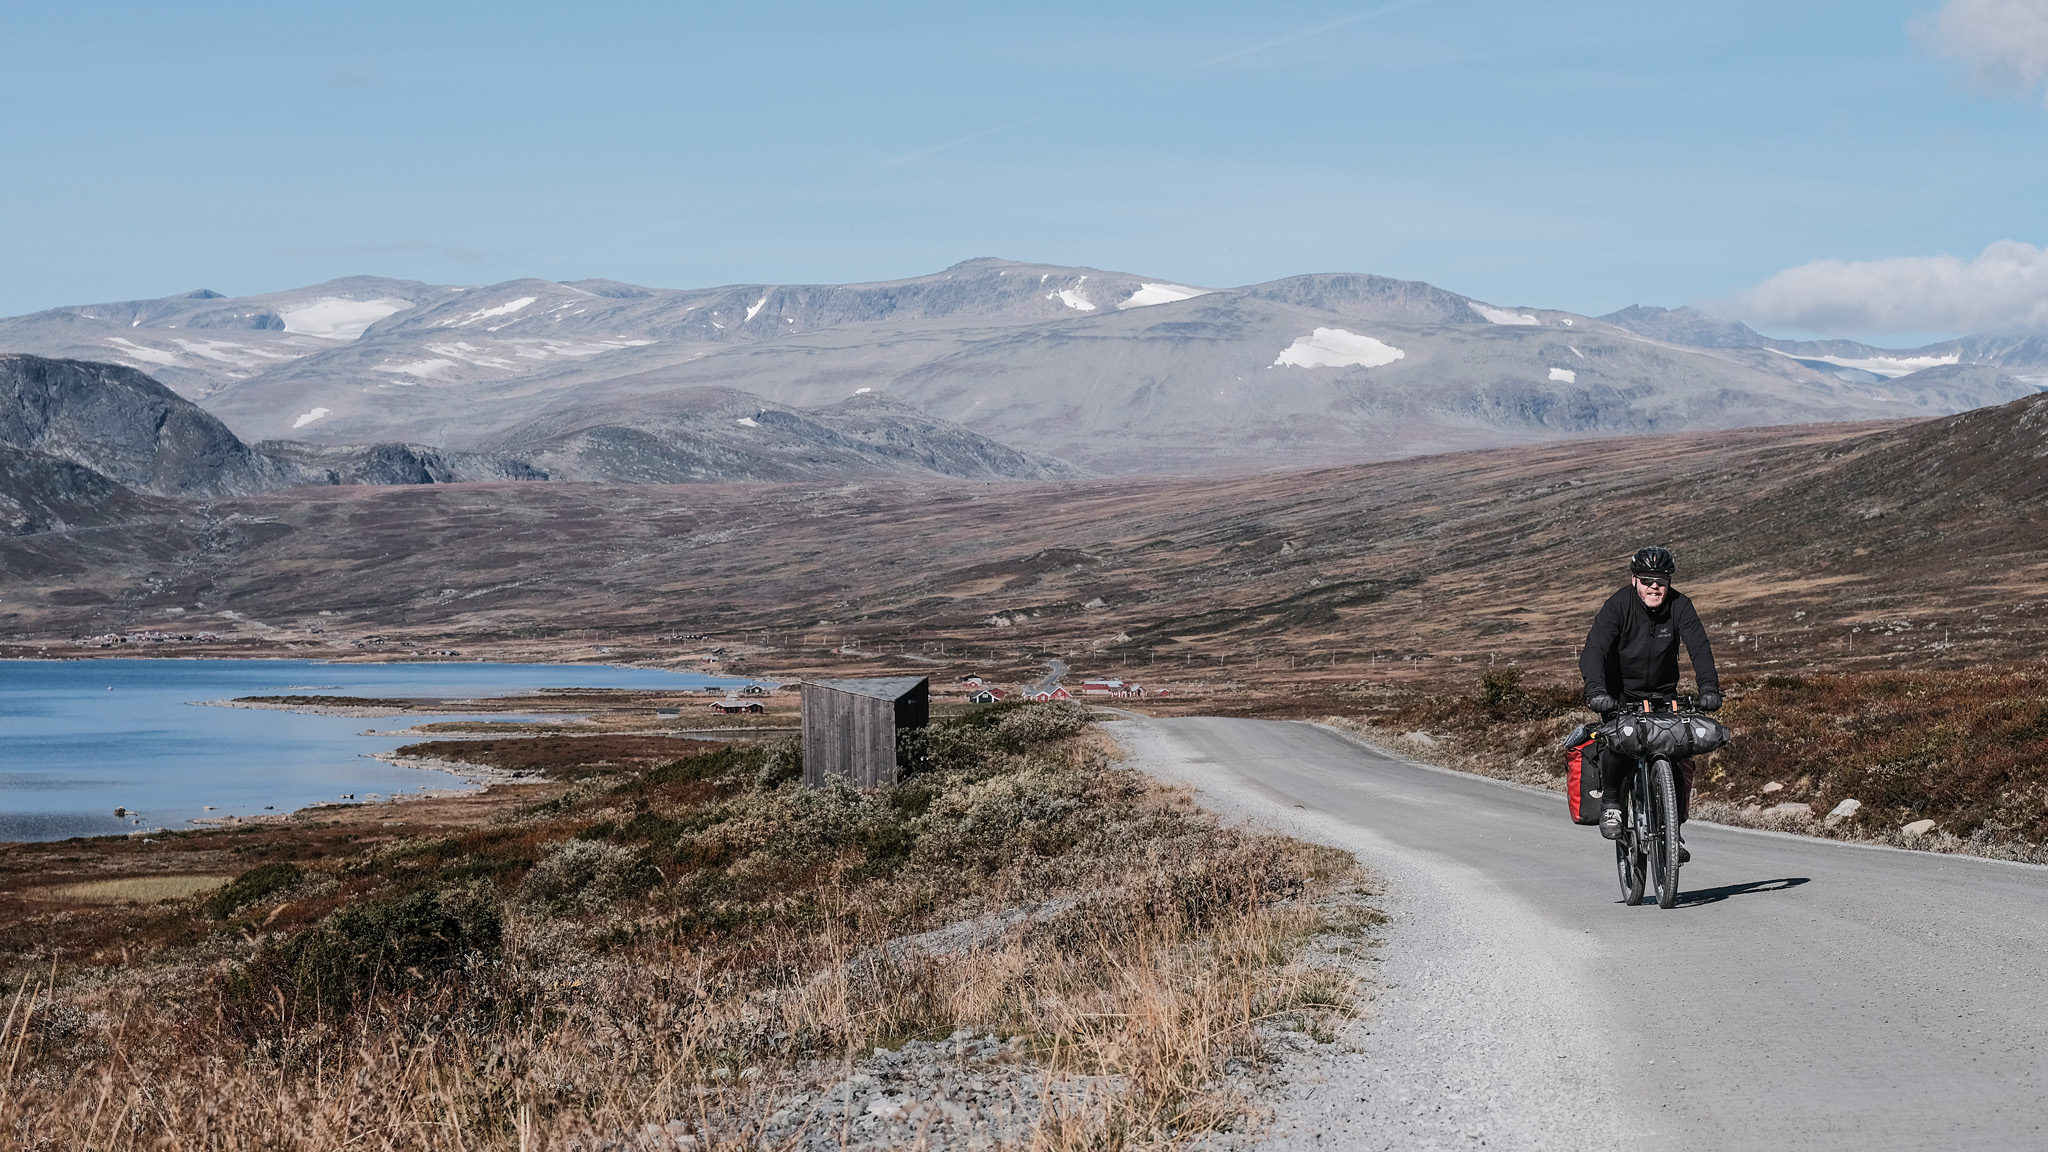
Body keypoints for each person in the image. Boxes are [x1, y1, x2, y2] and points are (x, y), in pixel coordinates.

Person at [1578, 545, 1721, 856]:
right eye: (1647, 579)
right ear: (1634, 581)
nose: (1654, 586)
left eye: (1661, 580)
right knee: (1619, 741)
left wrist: (1709, 688)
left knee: (1679, 756)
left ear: (1669, 581)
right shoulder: (1617, 606)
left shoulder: (1681, 606)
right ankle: (1613, 801)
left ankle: (1673, 830)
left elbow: (1699, 646)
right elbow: (1594, 650)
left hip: (1664, 695)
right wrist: (1596, 692)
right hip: (1620, 696)